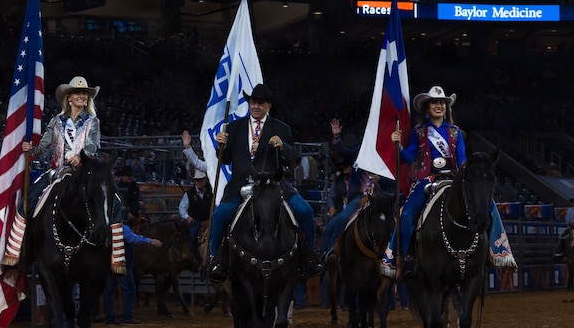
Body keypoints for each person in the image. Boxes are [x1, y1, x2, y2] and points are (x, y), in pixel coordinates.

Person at [380, 84, 516, 278]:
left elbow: (461, 159)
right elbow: (409, 158)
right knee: (408, 215)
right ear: (427, 107)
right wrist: (398, 146)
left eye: (442, 103)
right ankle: (404, 258)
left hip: (453, 178)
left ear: (446, 107)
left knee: (488, 203)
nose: (438, 106)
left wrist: (464, 174)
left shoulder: (455, 132)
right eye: (434, 103)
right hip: (425, 180)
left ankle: (498, 251)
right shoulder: (419, 132)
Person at [2, 75, 126, 274]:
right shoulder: (56, 122)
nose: (81, 96)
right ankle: (18, 252)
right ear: (68, 97)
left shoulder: (92, 121)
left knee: (116, 202)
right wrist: (31, 149)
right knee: (29, 199)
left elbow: (93, 144)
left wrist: (80, 156)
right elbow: (44, 145)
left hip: (85, 171)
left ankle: (116, 256)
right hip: (59, 172)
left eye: (84, 93)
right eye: (77, 93)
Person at [206, 84, 322, 283]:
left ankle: (309, 257)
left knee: (305, 211)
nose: (255, 106)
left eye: (260, 103)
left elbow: (292, 157)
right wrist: (220, 146)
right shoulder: (233, 128)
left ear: (268, 106)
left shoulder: (281, 128)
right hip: (239, 186)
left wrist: (283, 146)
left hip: (273, 184)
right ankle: (216, 260)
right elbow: (224, 160)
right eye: (253, 102)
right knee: (219, 215)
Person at [319, 118, 381, 262]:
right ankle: (329, 253)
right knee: (338, 220)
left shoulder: (386, 152)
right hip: (360, 197)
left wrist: (381, 179)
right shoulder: (361, 150)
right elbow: (344, 152)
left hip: (381, 196)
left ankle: (399, 260)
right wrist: (336, 137)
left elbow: (394, 177)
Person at [103, 223, 162, 324]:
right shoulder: (122, 227)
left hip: (109, 262)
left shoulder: (106, 226)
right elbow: (131, 238)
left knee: (109, 291)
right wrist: (150, 240)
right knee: (130, 289)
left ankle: (110, 318)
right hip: (121, 262)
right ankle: (128, 317)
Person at [178, 168, 212, 251]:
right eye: (197, 180)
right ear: (194, 181)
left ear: (205, 180)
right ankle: (191, 253)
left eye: (201, 180)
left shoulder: (211, 192)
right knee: (192, 235)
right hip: (196, 220)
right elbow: (182, 208)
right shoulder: (189, 194)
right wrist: (187, 217)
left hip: (210, 219)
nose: (199, 182)